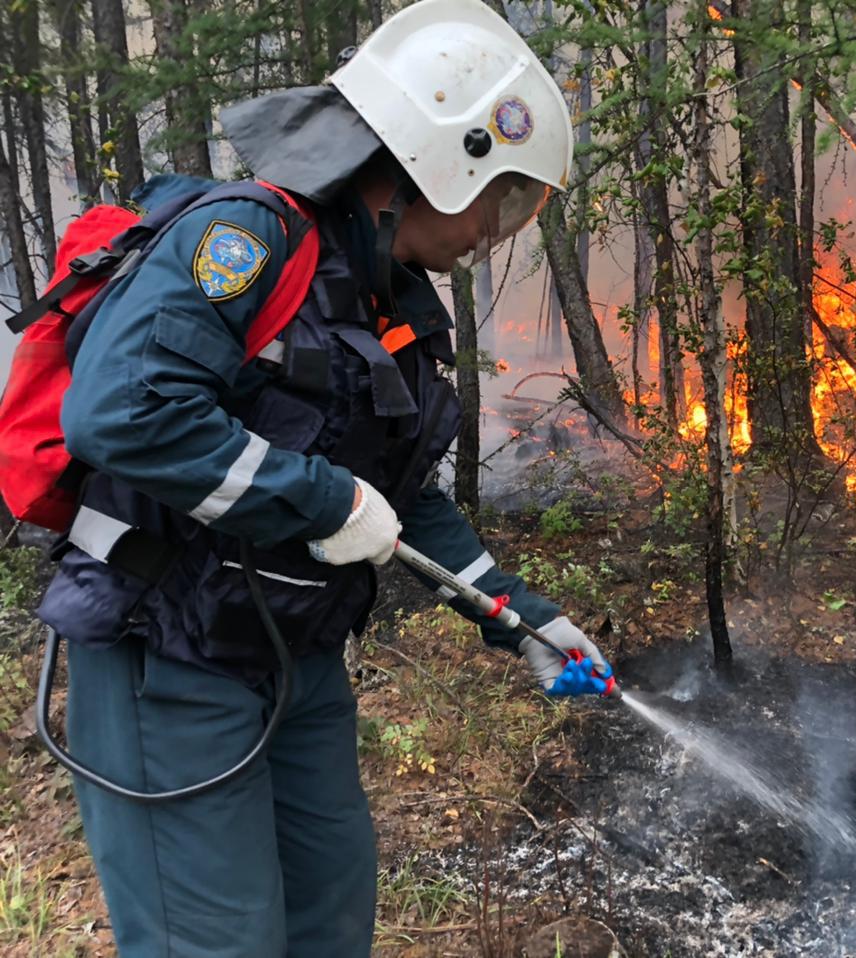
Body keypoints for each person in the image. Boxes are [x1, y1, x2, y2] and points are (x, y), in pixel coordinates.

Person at [35, 1, 612, 954]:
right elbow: (123, 412)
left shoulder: (388, 299)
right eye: (502, 196)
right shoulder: (245, 243)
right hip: (170, 660)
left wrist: (521, 616)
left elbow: (403, 500)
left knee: (331, 919)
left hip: (294, 661)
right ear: (437, 159)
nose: (498, 229)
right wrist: (319, 497)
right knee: (216, 940)